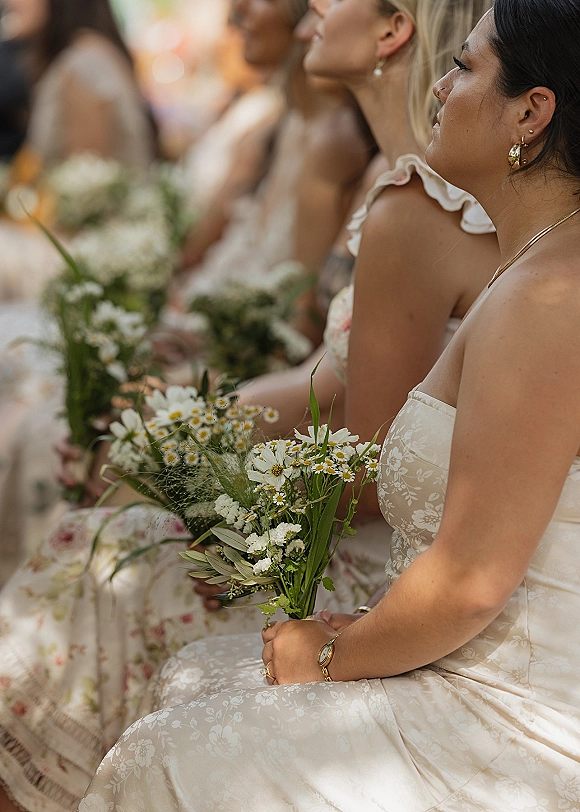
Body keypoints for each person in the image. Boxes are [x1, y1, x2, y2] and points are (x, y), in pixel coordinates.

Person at [81, 1, 580, 809]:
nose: (443, 89)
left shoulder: (549, 294)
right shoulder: (532, 268)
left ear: (531, 110)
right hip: (467, 655)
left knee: (168, 755)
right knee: (193, 679)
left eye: (465, 67)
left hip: (521, 713)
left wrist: (326, 658)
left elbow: (474, 579)